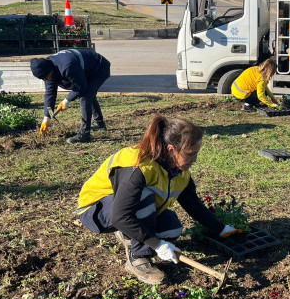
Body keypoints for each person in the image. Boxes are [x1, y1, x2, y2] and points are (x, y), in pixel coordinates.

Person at [75, 114, 241, 285]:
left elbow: (193, 205)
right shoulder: (139, 166)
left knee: (172, 228)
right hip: (95, 210)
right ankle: (139, 259)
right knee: (143, 198)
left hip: (126, 209)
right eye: (191, 154)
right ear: (171, 150)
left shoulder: (179, 172)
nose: (195, 160)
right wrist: (157, 244)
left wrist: (221, 229)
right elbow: (120, 216)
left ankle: (129, 232)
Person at [30, 49, 112, 144]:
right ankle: (99, 124)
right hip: (84, 68)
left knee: (85, 96)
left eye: (46, 77)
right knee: (89, 94)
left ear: (50, 70)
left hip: (99, 67)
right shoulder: (47, 67)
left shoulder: (67, 66)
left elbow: (81, 87)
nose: (47, 79)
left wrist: (67, 100)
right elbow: (50, 93)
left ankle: (84, 135)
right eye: (44, 78)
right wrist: (46, 117)